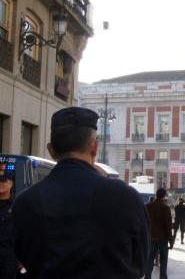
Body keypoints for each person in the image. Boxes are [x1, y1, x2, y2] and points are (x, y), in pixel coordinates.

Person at [11, 107, 149, 278]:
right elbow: (141, 262)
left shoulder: (24, 203)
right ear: (94, 147)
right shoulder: (127, 198)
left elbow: (20, 257)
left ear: (51, 150)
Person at [145, 188, 172, 279]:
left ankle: (147, 277)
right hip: (163, 239)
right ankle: (163, 277)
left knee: (149, 260)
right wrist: (171, 240)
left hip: (151, 238)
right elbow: (168, 226)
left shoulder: (147, 206)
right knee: (163, 261)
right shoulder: (166, 208)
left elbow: (143, 223)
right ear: (164, 196)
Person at [0, 167, 16, 278]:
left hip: (7, 258)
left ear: (11, 183)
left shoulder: (17, 206)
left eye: (4, 181)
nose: (1, 183)